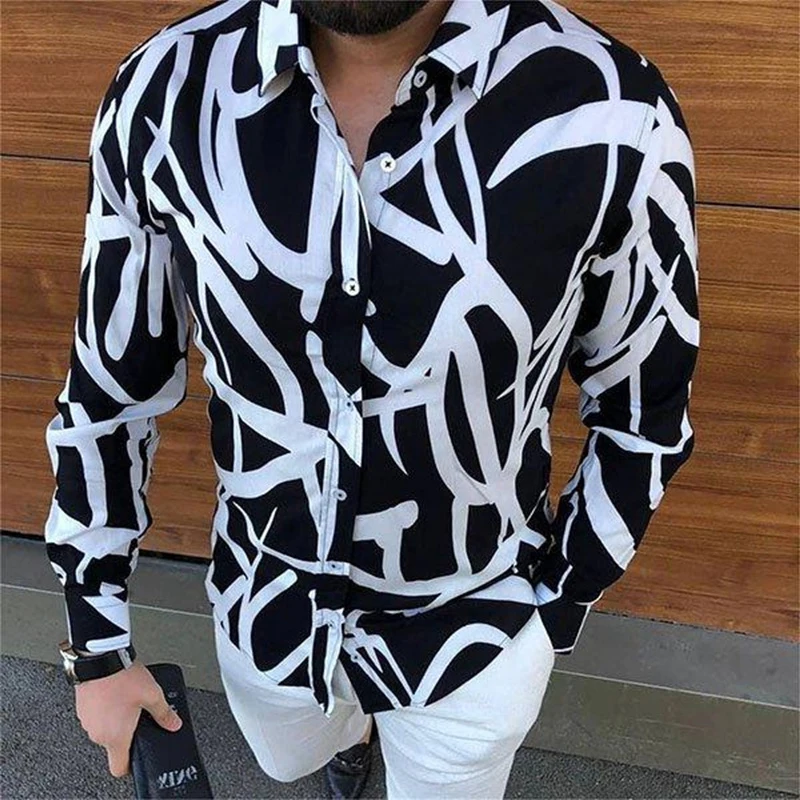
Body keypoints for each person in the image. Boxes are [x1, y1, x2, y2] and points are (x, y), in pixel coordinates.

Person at [43, 0, 700, 797]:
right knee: (288, 762)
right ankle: (352, 739)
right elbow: (110, 390)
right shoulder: (166, 90)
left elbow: (643, 414)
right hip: (266, 617)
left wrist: (554, 607)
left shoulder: (613, 110)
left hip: (475, 641)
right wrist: (96, 643)